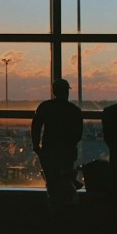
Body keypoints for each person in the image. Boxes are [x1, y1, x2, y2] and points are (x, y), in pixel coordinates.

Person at [31, 78, 83, 209]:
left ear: (53, 91)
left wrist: (36, 146)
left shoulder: (45, 107)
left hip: (49, 150)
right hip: (67, 152)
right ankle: (65, 210)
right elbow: (78, 134)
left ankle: (54, 208)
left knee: (52, 182)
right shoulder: (74, 110)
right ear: (67, 92)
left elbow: (36, 127)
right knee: (65, 181)